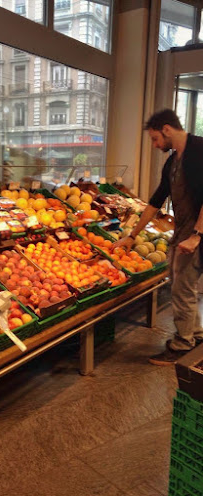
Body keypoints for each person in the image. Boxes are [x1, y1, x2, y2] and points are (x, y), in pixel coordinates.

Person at [114, 109, 203, 366]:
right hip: (182, 231)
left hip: (195, 233)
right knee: (179, 284)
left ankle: (183, 344)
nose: (154, 145)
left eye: (154, 139)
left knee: (182, 288)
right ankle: (194, 335)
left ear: (166, 129)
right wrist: (132, 235)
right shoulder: (173, 161)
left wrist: (197, 235)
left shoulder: (198, 150)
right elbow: (155, 202)